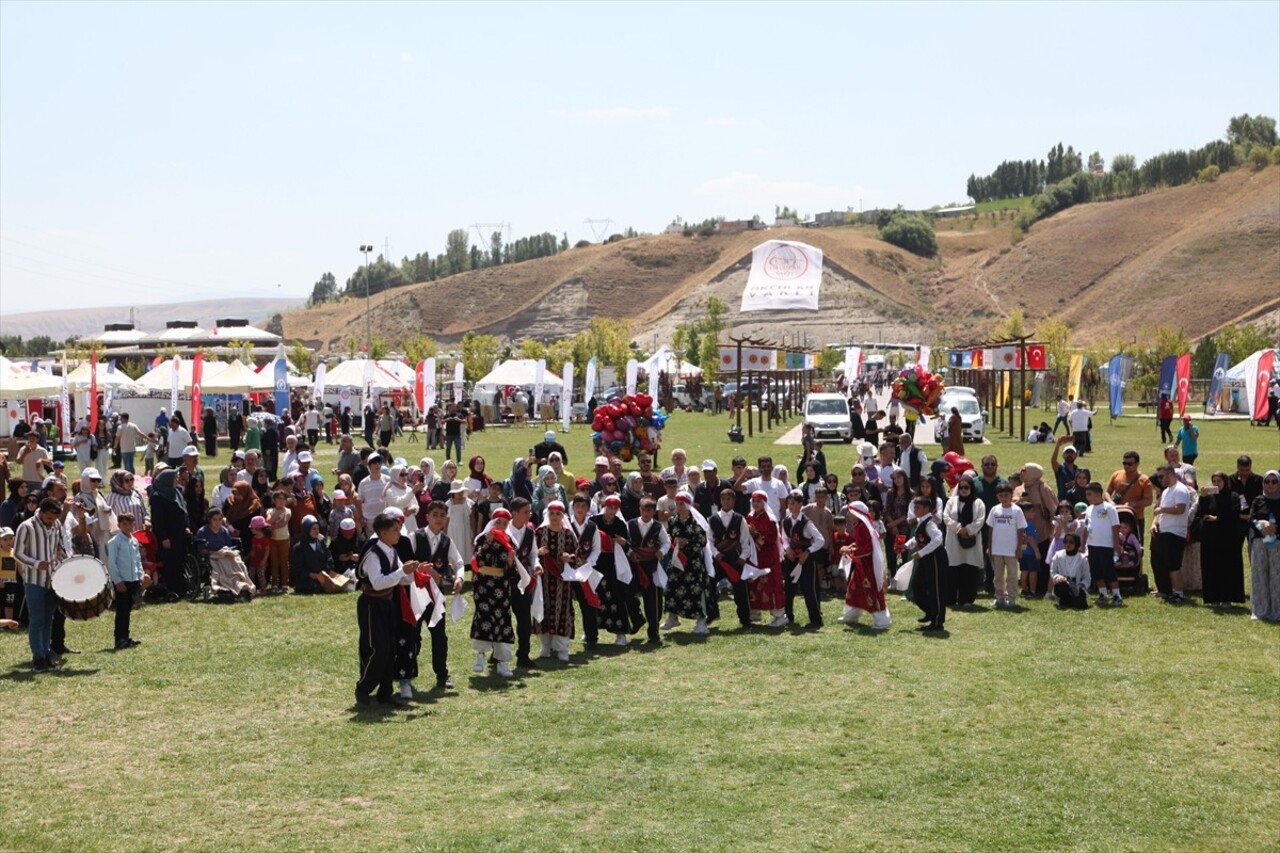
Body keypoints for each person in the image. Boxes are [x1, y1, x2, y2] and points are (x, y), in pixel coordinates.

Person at [355, 512, 420, 706]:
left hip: (387, 603)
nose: (399, 533)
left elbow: (403, 578)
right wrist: (402, 571)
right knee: (378, 648)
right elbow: (378, 583)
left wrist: (417, 572)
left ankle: (385, 693)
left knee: (391, 648)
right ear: (383, 533)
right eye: (395, 530)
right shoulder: (373, 555)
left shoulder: (392, 551)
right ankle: (363, 689)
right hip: (372, 605)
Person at [400, 500, 463, 691]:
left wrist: (459, 578)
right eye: (434, 515)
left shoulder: (447, 541)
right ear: (427, 517)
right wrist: (421, 570)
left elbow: (459, 562)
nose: (438, 519)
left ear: (446, 519)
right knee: (412, 635)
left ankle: (442, 675)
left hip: (436, 597)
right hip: (416, 594)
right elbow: (404, 562)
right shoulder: (414, 537)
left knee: (439, 636)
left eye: (442, 515)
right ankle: (407, 675)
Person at [14, 498, 73, 669]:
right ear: (41, 512)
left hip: (52, 580)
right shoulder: (26, 526)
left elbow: (59, 549)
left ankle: (46, 653)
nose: (50, 522)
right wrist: (36, 563)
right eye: (48, 518)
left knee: (49, 619)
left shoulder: (55, 526)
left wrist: (68, 564)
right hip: (34, 580)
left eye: (53, 519)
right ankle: (38, 657)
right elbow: (18, 553)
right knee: (37, 619)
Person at [592, 494, 640, 646]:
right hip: (597, 563)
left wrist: (622, 542)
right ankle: (592, 631)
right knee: (596, 597)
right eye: (609, 507)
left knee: (617, 597)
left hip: (614, 565)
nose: (612, 511)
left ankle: (621, 633)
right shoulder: (595, 522)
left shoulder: (620, 524)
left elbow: (628, 545)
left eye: (615, 508)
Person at [533, 500, 579, 661]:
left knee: (562, 611)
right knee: (543, 609)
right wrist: (538, 552)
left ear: (562, 515)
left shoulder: (567, 534)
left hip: (562, 582)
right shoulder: (539, 533)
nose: (554, 517)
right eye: (551, 513)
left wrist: (569, 558)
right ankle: (545, 644)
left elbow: (578, 556)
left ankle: (561, 647)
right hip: (543, 580)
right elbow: (531, 555)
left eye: (557, 514)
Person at [1198, 471, 1248, 606]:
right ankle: (1213, 597)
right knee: (1211, 567)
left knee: (1227, 568)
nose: (1216, 484)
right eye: (1214, 481)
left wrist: (1218, 519)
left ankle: (1227, 598)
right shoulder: (1209, 497)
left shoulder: (1234, 496)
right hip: (1211, 537)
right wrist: (1202, 498)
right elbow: (1200, 513)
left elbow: (1235, 514)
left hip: (1228, 538)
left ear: (1225, 482)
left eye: (1219, 481)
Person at [708, 485, 755, 629]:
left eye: (729, 499)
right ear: (720, 501)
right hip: (718, 560)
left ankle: (745, 619)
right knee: (709, 586)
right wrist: (716, 554)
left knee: (740, 589)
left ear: (733, 501)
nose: (726, 502)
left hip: (735, 559)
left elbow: (745, 541)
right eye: (723, 499)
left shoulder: (740, 519)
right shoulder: (712, 519)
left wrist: (743, 557)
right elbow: (709, 541)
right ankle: (712, 614)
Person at [838, 500, 891, 629]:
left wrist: (850, 551)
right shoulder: (859, 526)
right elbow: (860, 543)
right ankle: (851, 615)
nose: (848, 515)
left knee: (871, 590)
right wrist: (851, 546)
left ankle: (882, 620)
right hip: (860, 565)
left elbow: (867, 548)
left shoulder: (863, 527)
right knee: (854, 588)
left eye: (850, 513)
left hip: (868, 566)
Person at [627, 497, 671, 644]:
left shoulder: (658, 527)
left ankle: (653, 631)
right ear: (640, 509)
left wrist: (661, 552)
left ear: (653, 511)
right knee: (629, 595)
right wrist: (630, 554)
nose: (646, 513)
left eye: (649, 510)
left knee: (653, 600)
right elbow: (626, 544)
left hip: (651, 566)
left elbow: (666, 542)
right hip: (634, 566)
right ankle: (638, 619)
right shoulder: (631, 524)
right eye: (643, 510)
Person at [781, 490, 824, 629]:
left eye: (793, 503)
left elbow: (820, 540)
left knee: (808, 589)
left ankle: (816, 620)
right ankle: (788, 615)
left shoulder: (806, 522)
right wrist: (787, 549)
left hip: (805, 560)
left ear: (800, 504)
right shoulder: (786, 521)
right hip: (792, 558)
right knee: (789, 588)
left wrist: (808, 552)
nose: (790, 505)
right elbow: (784, 538)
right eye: (788, 503)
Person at [905, 495, 948, 631]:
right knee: (918, 586)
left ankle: (937, 621)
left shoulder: (929, 523)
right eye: (914, 507)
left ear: (926, 508)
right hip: (926, 558)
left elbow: (938, 539)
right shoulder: (921, 521)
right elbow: (918, 538)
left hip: (935, 558)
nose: (915, 510)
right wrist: (906, 546)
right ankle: (930, 612)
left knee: (935, 589)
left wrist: (921, 552)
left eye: (918, 507)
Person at [944, 475, 987, 605]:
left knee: (969, 570)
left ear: (971, 488)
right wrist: (958, 528)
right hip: (954, 539)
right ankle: (950, 598)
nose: (963, 490)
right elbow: (946, 517)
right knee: (953, 569)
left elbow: (980, 520)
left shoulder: (978, 503)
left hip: (971, 541)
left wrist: (967, 530)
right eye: (961, 487)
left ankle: (967, 599)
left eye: (966, 487)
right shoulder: (952, 501)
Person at [148, 469, 190, 601]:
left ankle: (182, 588)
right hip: (167, 537)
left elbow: (184, 510)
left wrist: (187, 526)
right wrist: (164, 537)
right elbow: (157, 520)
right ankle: (172, 590)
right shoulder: (157, 497)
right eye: (174, 478)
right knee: (170, 563)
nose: (177, 480)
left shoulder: (176, 492)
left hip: (179, 534)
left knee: (179, 561)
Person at [1083, 482, 1125, 606]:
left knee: (1109, 571)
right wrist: (1083, 544)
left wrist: (1116, 544)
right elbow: (1086, 526)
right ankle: (1103, 594)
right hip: (1092, 545)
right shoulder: (1089, 509)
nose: (1087, 497)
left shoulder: (1109, 508)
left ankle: (1117, 595)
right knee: (1096, 571)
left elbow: (1115, 526)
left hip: (1106, 545)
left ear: (1097, 494)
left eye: (1089, 494)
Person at [985, 483, 1026, 609]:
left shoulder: (1016, 510)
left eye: (1006, 495)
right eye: (1001, 496)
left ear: (1011, 495)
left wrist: (1019, 548)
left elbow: (1020, 531)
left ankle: (1011, 598)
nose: (1004, 498)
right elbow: (990, 529)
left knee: (1012, 575)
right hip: (997, 549)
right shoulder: (995, 510)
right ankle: (999, 598)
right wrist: (990, 546)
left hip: (1011, 550)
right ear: (997, 496)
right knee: (998, 575)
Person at [1247, 470, 1280, 622]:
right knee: (1259, 575)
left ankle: (1277, 610)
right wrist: (1262, 526)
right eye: (1267, 481)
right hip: (1260, 542)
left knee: (1276, 576)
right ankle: (1260, 609)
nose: (1270, 485)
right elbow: (1251, 519)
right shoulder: (1258, 500)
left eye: (1274, 481)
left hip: (1278, 543)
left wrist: (1275, 528)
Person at [1106, 451, 1154, 550]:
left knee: (1135, 547)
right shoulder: (1116, 475)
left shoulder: (1144, 480)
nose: (1126, 466)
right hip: (1116, 516)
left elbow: (1148, 500)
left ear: (1137, 464)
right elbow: (1106, 493)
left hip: (1135, 519)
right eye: (1124, 463)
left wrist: (1134, 504)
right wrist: (1110, 501)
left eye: (1130, 464)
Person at [1048, 533, 1090, 609]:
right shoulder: (1058, 555)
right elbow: (1053, 572)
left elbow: (1087, 577)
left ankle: (1071, 601)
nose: (1068, 544)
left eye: (1071, 542)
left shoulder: (1083, 559)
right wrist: (1058, 577)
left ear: (1076, 544)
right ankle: (1065, 600)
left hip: (1077, 587)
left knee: (1081, 605)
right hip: (1063, 585)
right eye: (1066, 542)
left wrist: (1080, 586)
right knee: (1061, 586)